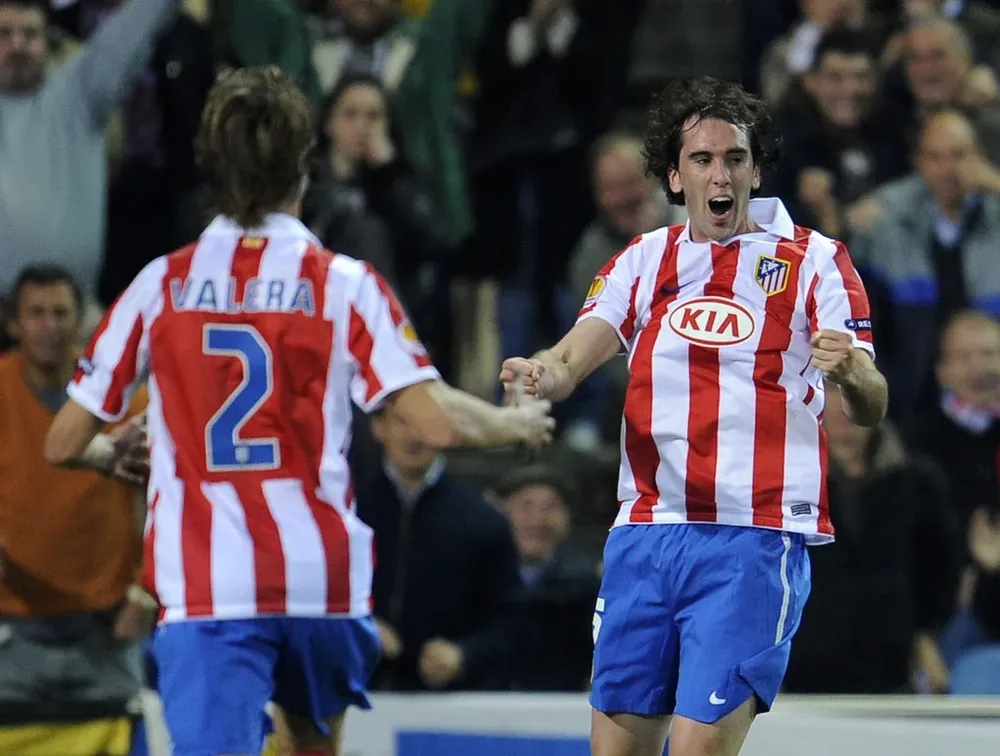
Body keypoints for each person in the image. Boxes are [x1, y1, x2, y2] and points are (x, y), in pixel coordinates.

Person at [43, 66, 554, 756]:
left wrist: (111, 453)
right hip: (320, 581)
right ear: (304, 170)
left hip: (208, 585)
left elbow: (63, 441)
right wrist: (513, 423)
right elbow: (434, 421)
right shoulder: (343, 283)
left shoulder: (160, 285)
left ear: (213, 172)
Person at [500, 76, 888, 756]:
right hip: (646, 537)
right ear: (674, 177)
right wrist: (539, 373)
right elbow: (567, 361)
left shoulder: (815, 259)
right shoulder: (642, 261)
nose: (721, 174)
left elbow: (872, 404)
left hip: (753, 535)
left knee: (699, 751)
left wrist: (852, 370)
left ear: (755, 168)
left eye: (734, 158)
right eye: (702, 160)